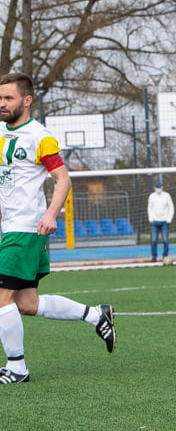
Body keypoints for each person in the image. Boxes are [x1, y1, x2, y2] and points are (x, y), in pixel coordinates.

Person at [0, 73, 116, 384]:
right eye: (0, 98)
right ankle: (96, 315)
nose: (2, 103)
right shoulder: (1, 131)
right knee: (26, 304)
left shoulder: (41, 137)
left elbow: (63, 179)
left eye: (8, 98)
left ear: (27, 101)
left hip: (25, 228)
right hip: (9, 227)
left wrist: (52, 214)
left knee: (1, 298)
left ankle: (17, 368)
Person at [148, 180, 174, 262]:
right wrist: (151, 219)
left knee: (165, 240)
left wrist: (169, 219)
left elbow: (171, 208)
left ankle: (165, 256)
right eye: (157, 187)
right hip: (154, 222)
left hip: (164, 222)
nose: (158, 189)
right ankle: (154, 256)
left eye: (159, 187)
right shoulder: (151, 196)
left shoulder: (167, 195)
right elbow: (149, 208)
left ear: (162, 187)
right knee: (153, 240)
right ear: (154, 188)